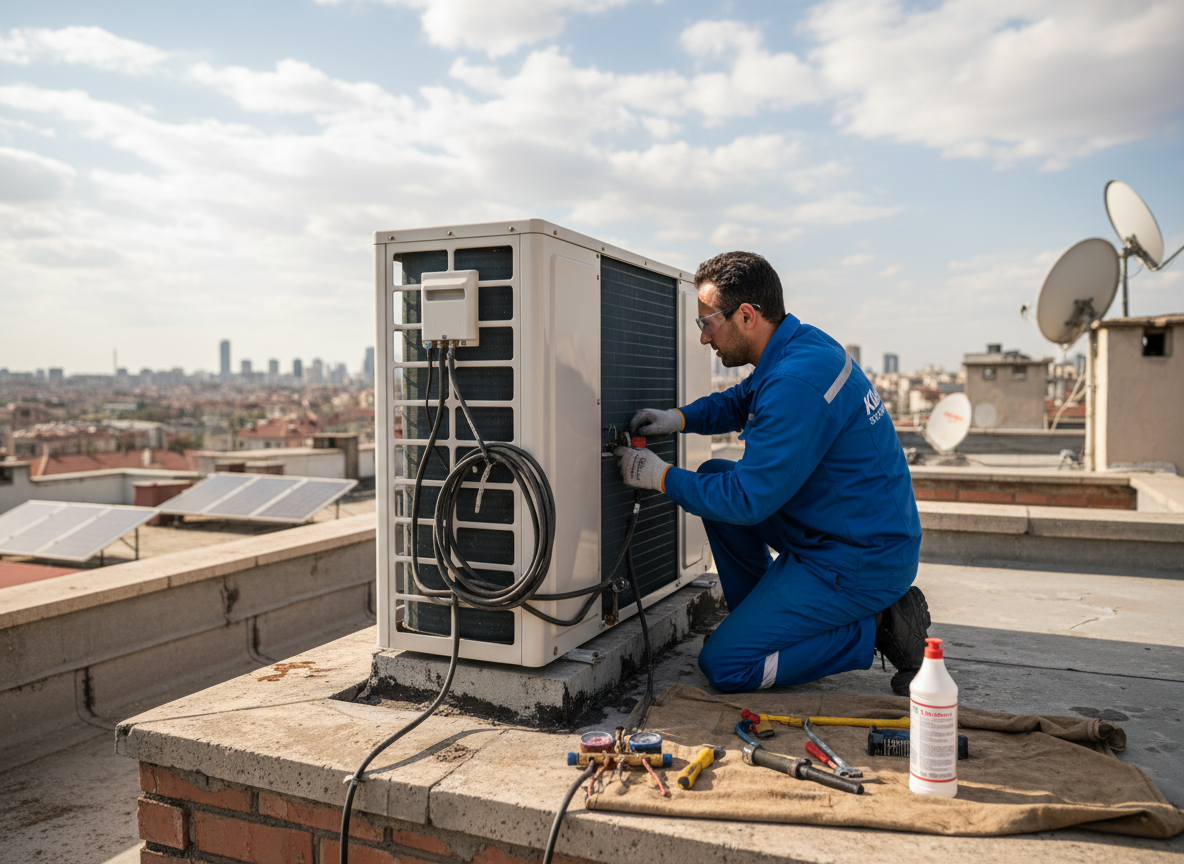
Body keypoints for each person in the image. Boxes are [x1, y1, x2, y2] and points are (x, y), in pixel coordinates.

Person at [615, 251, 928, 695]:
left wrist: (659, 477)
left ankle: (878, 625)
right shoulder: (801, 346)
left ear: (746, 315)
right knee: (716, 470)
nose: (704, 338)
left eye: (708, 323)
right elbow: (742, 400)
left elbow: (747, 500)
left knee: (725, 665)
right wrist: (678, 418)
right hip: (842, 528)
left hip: (861, 559)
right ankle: (763, 623)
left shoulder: (797, 382)